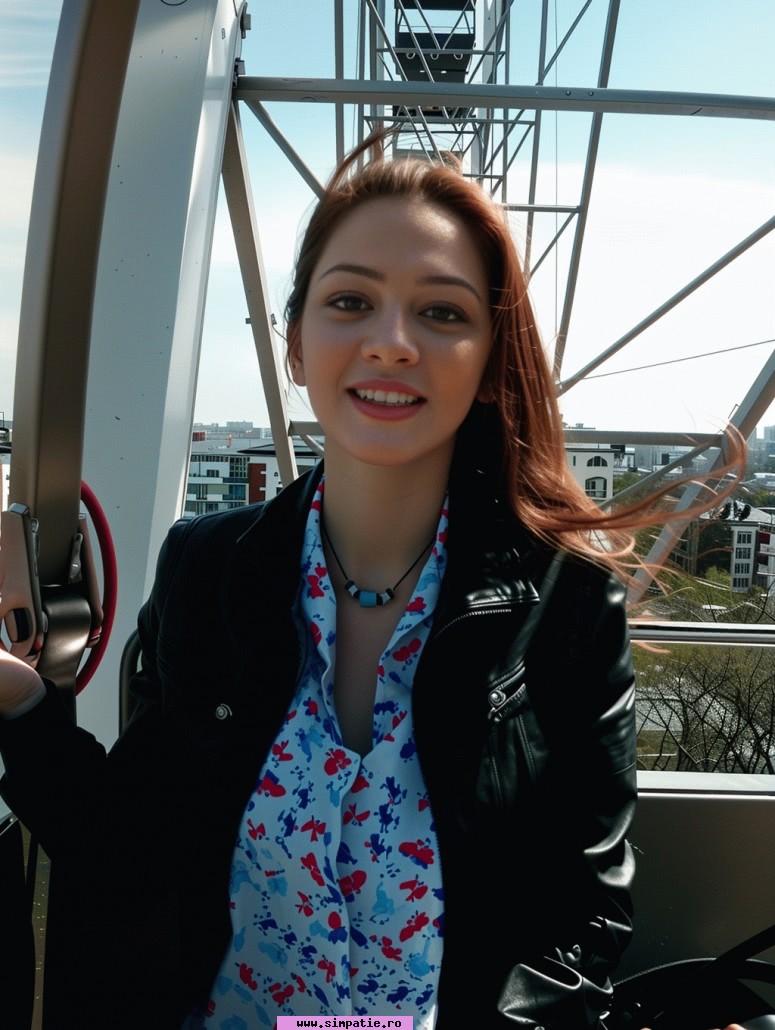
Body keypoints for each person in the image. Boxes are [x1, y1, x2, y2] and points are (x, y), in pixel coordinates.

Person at [0, 133, 745, 1029]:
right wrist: (20, 701)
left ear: (488, 361)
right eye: (350, 301)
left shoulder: (567, 602)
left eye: (441, 312)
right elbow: (132, 846)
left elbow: (582, 913)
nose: (391, 343)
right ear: (294, 345)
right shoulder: (205, 570)